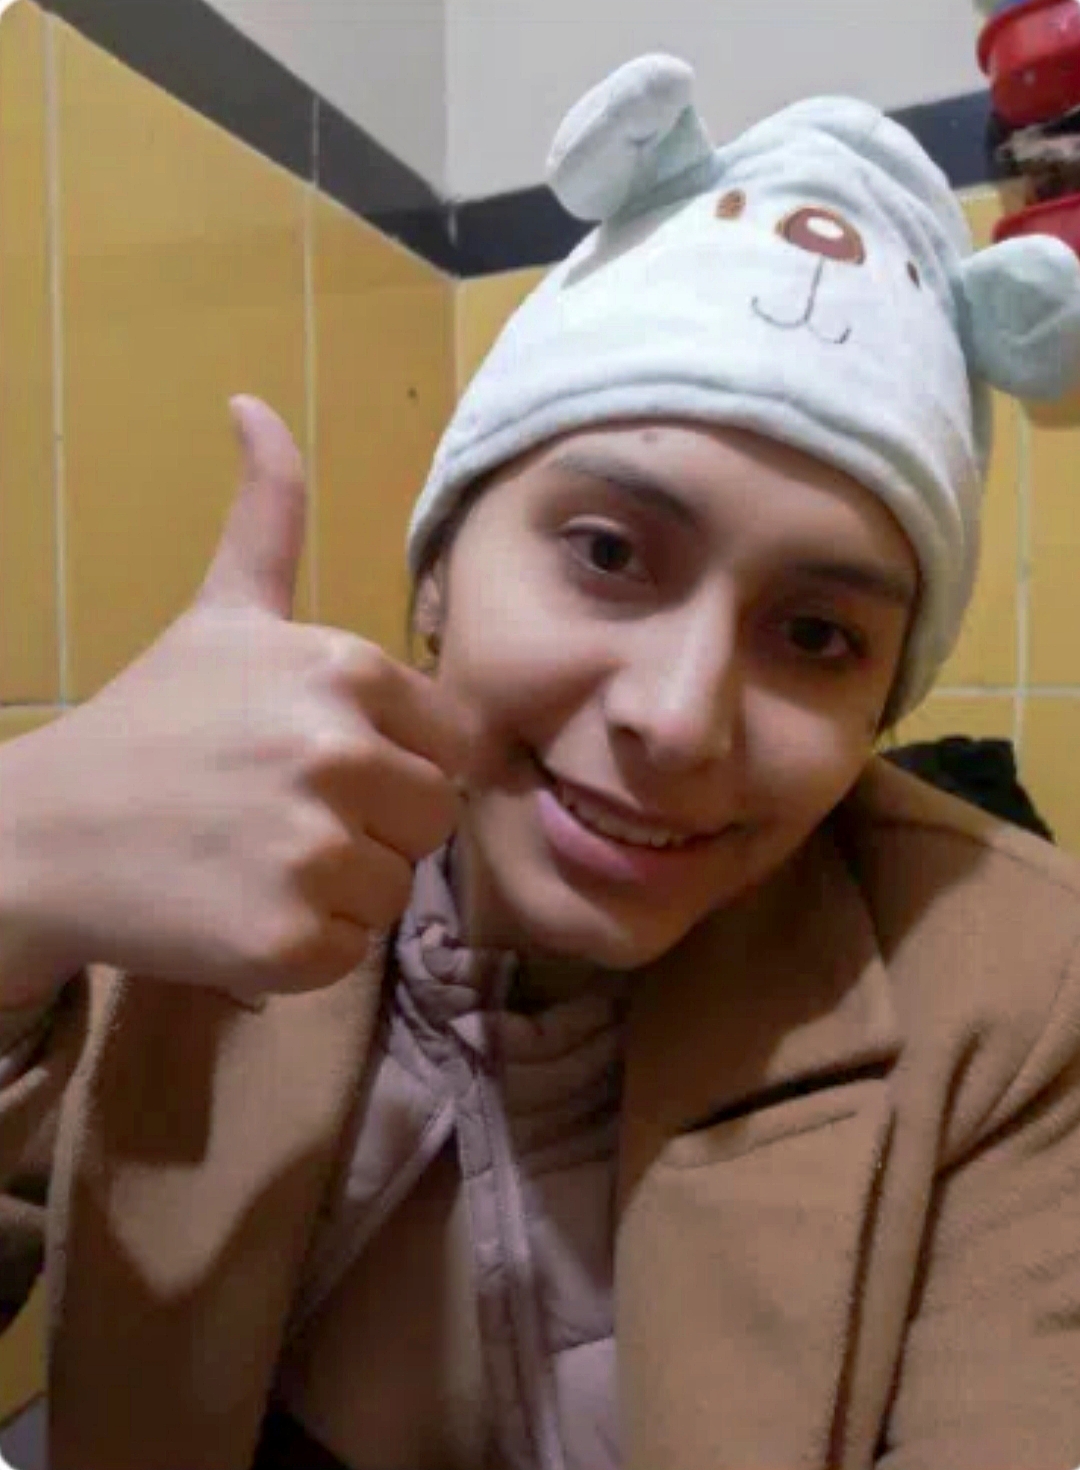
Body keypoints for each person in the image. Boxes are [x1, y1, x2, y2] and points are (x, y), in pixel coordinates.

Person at [2, 53, 1080, 1470]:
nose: (680, 721)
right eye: (610, 553)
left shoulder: (1020, 992)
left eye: (817, 635)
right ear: (439, 568)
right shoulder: (213, 849)